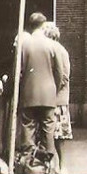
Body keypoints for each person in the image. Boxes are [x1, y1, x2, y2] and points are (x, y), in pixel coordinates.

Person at [18, 11, 63, 163]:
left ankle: (29, 163)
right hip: (49, 94)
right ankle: (48, 162)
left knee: (28, 128)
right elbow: (59, 73)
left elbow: (20, 70)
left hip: (29, 93)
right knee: (48, 129)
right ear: (43, 25)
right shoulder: (53, 45)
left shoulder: (24, 45)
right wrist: (53, 88)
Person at [42, 22, 72, 174]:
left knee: (56, 135)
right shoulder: (51, 50)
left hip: (56, 100)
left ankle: (59, 165)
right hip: (52, 99)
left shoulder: (60, 51)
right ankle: (55, 165)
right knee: (54, 135)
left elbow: (64, 77)